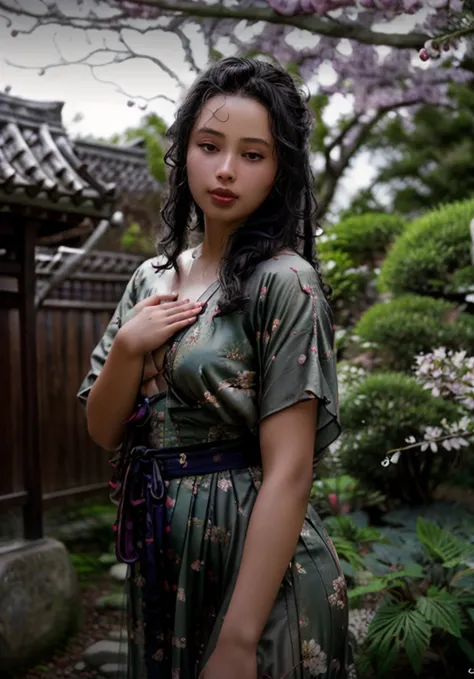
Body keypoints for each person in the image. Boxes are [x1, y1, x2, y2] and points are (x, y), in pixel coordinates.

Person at [78, 56, 356, 679]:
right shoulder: (151, 280)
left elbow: (290, 468)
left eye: (253, 154)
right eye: (210, 146)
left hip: (257, 566)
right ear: (185, 154)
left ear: (279, 169)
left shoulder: (286, 282)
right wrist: (127, 346)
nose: (226, 169)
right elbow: (103, 429)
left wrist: (239, 639)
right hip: (167, 553)